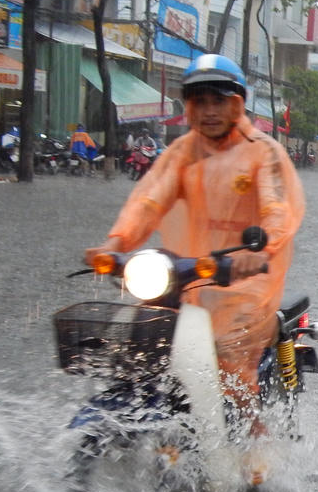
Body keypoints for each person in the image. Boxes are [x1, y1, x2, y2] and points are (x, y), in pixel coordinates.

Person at [82, 54, 304, 455]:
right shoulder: (184, 151)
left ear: (237, 104)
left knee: (229, 354)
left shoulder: (263, 152)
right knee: (141, 343)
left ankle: (257, 445)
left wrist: (260, 251)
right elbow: (149, 200)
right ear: (188, 107)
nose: (209, 111)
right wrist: (114, 246)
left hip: (248, 278)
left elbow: (277, 209)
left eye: (218, 100)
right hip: (190, 273)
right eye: (199, 102)